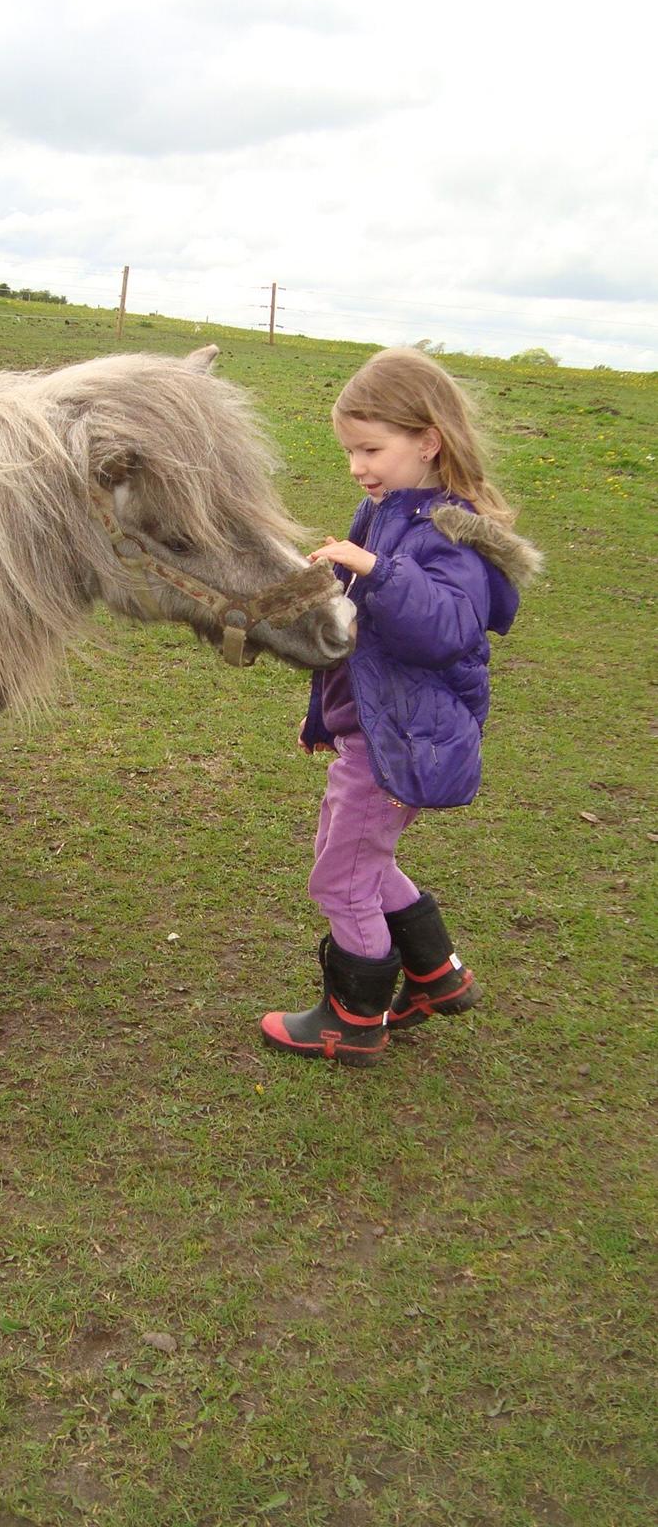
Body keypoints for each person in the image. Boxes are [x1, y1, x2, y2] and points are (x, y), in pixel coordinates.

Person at [260, 348, 541, 1067]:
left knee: (340, 874)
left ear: (428, 440)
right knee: (361, 857)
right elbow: (361, 634)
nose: (358, 464)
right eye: (350, 450)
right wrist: (326, 716)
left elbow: (447, 629)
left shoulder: (452, 531)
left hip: (408, 741)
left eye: (371, 448)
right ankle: (435, 974)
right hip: (377, 732)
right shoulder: (384, 509)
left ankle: (353, 1017)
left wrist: (375, 570)